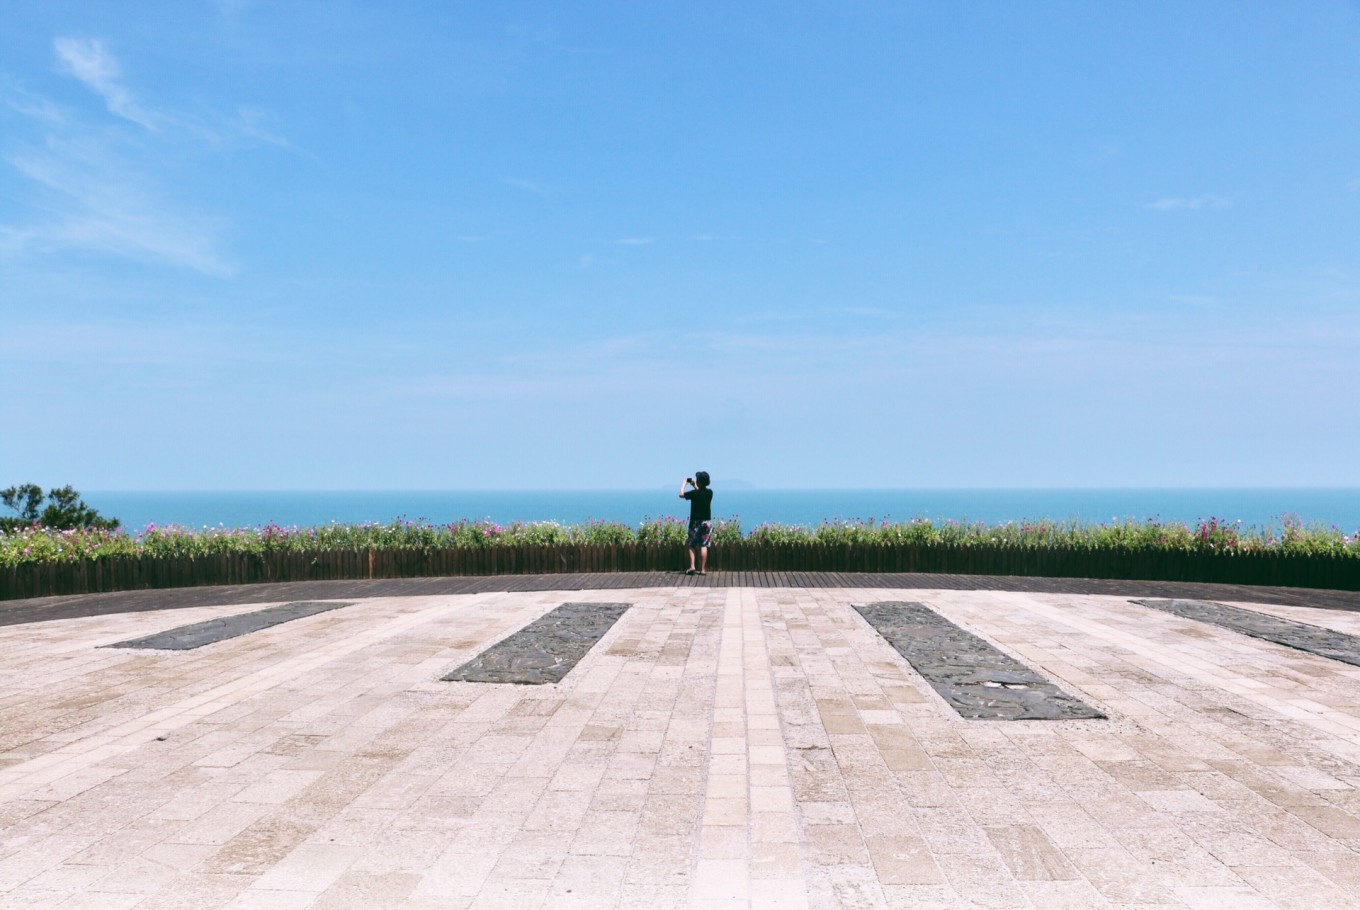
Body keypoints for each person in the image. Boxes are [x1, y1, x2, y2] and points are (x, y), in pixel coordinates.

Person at [679, 471, 713, 575]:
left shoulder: (694, 494)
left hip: (695, 522)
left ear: (699, 481)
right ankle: (702, 570)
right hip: (706, 522)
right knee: (704, 545)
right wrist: (695, 486)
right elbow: (701, 493)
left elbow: (681, 495)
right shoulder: (710, 493)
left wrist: (684, 484)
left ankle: (692, 566)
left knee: (692, 544)